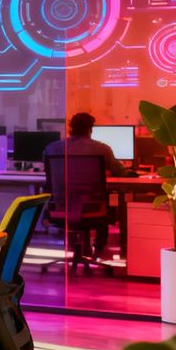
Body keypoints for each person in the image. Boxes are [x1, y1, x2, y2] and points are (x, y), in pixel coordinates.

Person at [42, 111, 136, 259]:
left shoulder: (51, 148)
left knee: (74, 205)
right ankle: (99, 250)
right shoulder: (102, 148)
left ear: (70, 127)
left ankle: (75, 248)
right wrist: (133, 174)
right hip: (93, 209)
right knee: (109, 206)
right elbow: (120, 172)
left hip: (61, 207)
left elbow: (48, 179)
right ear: (91, 129)